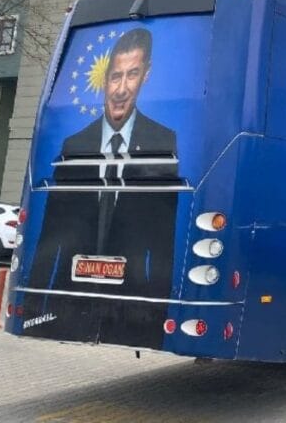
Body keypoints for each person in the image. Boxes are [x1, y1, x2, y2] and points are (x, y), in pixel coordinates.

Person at [25, 28, 179, 348]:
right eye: (115, 76)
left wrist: (160, 321)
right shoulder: (75, 144)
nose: (121, 89)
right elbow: (50, 239)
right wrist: (32, 308)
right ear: (105, 78)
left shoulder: (163, 141)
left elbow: (163, 242)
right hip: (71, 302)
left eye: (132, 75)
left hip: (137, 306)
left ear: (146, 76)